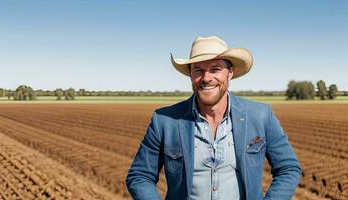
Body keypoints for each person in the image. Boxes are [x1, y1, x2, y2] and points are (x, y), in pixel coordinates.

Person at [126, 36, 301, 200]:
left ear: (230, 73)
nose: (207, 78)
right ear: (190, 75)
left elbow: (288, 168)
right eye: (198, 70)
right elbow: (140, 176)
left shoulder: (260, 115)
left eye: (215, 69)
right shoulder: (164, 121)